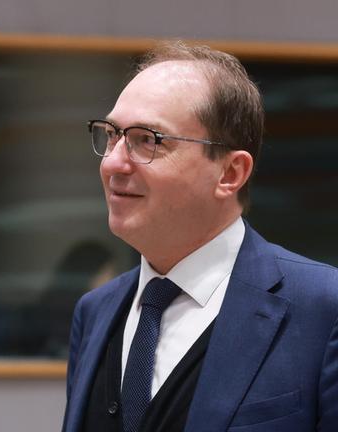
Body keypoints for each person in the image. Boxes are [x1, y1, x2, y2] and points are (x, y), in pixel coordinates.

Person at [62, 41, 338, 432]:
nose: (113, 163)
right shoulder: (95, 312)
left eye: (148, 139)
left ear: (230, 174)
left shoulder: (324, 310)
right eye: (111, 134)